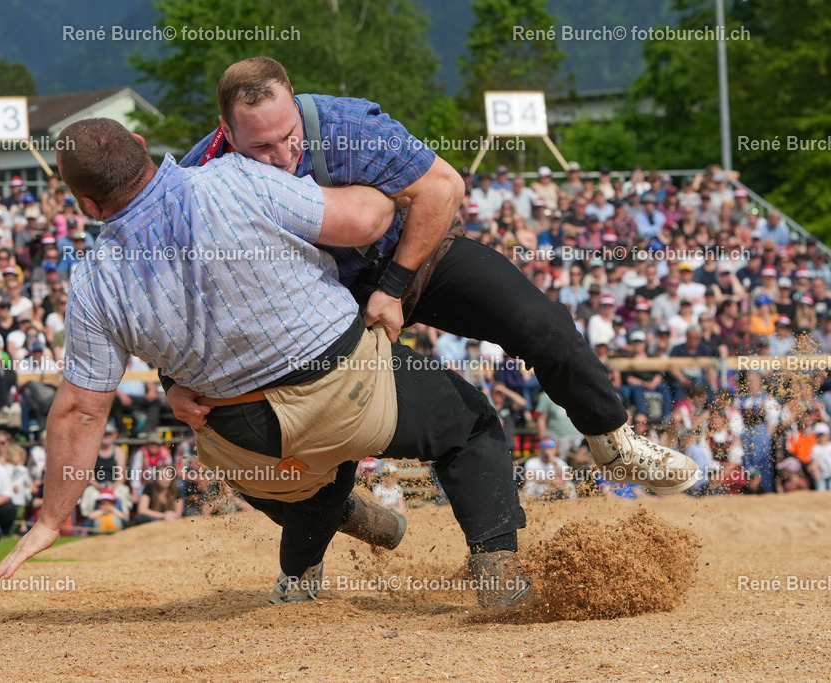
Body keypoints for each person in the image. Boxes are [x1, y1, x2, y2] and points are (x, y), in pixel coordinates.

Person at [0, 118, 696, 609]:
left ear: (85, 205)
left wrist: (53, 518)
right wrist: (391, 186)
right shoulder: (236, 180)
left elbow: (82, 409)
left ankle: (316, 547)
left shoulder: (94, 277)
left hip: (244, 436)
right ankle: (494, 562)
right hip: (347, 386)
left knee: (298, 481)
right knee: (470, 426)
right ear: (144, 146)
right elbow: (363, 222)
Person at [165, 56, 691, 490]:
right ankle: (328, 526)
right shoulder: (194, 183)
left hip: (416, 260)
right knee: (334, 420)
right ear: (226, 133)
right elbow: (172, 288)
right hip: (322, 307)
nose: (283, 156)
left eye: (290, 135)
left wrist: (393, 287)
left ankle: (614, 443)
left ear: (297, 106)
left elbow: (443, 188)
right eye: (261, 146)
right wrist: (172, 379)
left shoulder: (348, 126)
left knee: (543, 322)